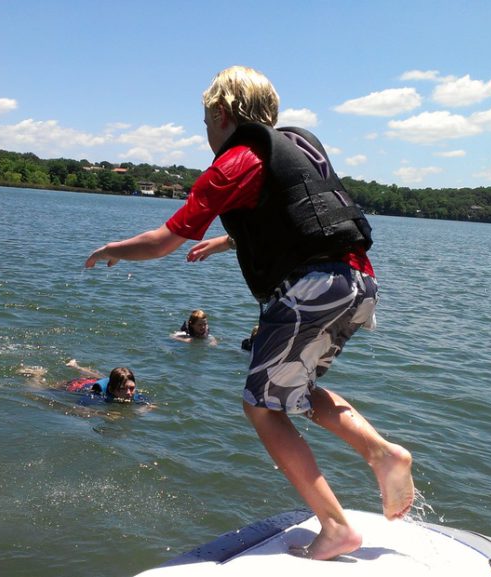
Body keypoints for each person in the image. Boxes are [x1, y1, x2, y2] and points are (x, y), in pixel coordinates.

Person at [85, 65, 413, 560]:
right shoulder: (298, 146)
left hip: (311, 289)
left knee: (260, 406)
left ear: (220, 114)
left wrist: (113, 248)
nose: (206, 134)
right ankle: (381, 454)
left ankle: (336, 525)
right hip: (357, 283)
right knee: (291, 389)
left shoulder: (234, 162)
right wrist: (226, 241)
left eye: (205, 123)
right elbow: (302, 215)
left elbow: (162, 242)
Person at [63, 359, 140, 403]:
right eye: (122, 389)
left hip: (101, 381)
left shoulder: (130, 393)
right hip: (80, 384)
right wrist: (105, 415)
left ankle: (76, 366)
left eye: (132, 388)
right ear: (111, 389)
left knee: (98, 377)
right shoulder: (96, 396)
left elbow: (149, 404)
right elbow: (78, 407)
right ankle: (75, 367)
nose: (129, 393)